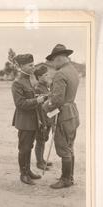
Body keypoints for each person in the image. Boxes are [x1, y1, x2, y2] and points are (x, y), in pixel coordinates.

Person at [42, 44, 80, 189]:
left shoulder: (60, 74)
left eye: (53, 60)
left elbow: (57, 100)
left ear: (58, 59)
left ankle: (65, 179)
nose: (53, 64)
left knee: (63, 147)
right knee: (70, 147)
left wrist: (45, 105)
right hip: (72, 113)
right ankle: (69, 176)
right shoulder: (73, 71)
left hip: (63, 114)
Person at [11, 54, 47, 185]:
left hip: (32, 120)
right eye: (30, 65)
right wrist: (37, 100)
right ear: (21, 66)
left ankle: (28, 171)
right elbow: (20, 103)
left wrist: (38, 98)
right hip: (24, 121)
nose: (33, 67)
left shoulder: (29, 80)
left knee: (29, 147)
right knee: (24, 148)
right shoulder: (17, 83)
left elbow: (31, 98)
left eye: (33, 64)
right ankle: (23, 174)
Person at [33, 64, 54, 170]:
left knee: (44, 139)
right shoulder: (37, 89)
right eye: (45, 75)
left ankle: (42, 159)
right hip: (42, 119)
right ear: (39, 77)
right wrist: (41, 121)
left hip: (48, 118)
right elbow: (38, 107)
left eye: (47, 74)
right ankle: (39, 162)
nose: (47, 77)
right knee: (40, 140)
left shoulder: (46, 87)